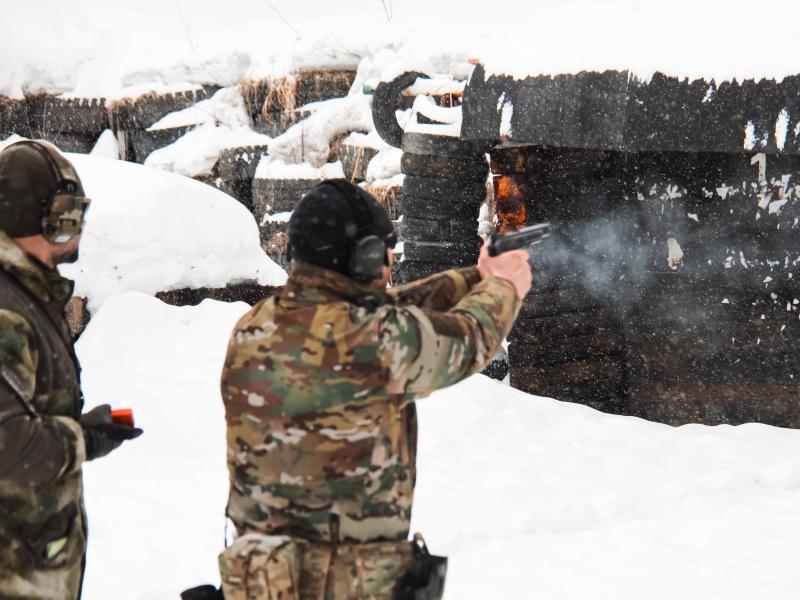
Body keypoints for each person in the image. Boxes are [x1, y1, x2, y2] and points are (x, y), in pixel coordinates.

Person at [218, 179, 531, 599]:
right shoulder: (372, 341)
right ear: (363, 256)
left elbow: (381, 312)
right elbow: (470, 338)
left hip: (265, 583)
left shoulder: (255, 326)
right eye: (384, 248)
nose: (389, 261)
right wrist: (505, 286)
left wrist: (477, 276)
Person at [0, 140, 142, 600]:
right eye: (75, 211)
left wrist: (79, 430)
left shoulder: (24, 295)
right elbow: (6, 444)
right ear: (55, 217)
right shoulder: (8, 311)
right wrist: (85, 438)